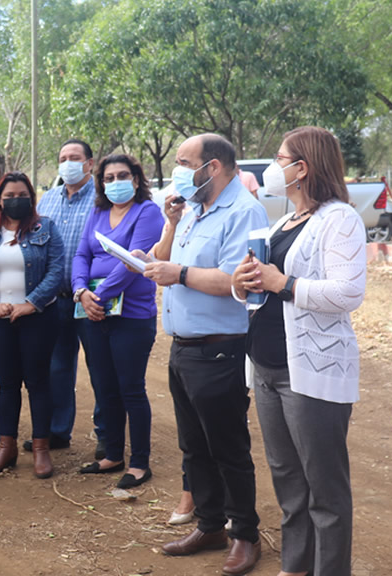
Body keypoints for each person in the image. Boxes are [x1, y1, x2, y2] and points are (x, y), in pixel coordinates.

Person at [232, 127, 366, 576]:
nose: (273, 166)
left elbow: (348, 292)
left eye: (279, 157)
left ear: (302, 168)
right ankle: (295, 567)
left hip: (310, 369)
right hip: (268, 367)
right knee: (289, 483)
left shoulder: (339, 219)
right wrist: (243, 285)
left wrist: (283, 283)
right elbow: (263, 290)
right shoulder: (280, 222)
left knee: (325, 490)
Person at [145, 133, 267, 576]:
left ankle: (245, 534)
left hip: (220, 350)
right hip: (183, 347)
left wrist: (178, 272)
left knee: (227, 447)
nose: (176, 169)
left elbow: (239, 282)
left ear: (212, 167)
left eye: (183, 161)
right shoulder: (192, 209)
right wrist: (170, 223)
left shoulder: (244, 211)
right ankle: (210, 524)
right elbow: (161, 261)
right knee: (194, 446)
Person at [72, 154, 163, 489]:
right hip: (94, 313)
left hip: (131, 315)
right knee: (104, 386)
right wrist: (81, 291)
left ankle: (139, 463)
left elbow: (133, 261)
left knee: (131, 389)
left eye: (122, 175)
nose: (115, 182)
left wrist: (100, 295)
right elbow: (81, 254)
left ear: (136, 180)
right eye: (108, 178)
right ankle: (112, 454)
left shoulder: (147, 212)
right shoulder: (96, 211)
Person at [0, 172, 64, 478]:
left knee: (37, 382)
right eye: (9, 196)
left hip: (38, 317)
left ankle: (41, 450)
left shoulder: (44, 227)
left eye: (21, 194)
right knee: (6, 384)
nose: (15, 200)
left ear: (31, 197)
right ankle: (5, 448)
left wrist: (30, 303)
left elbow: (57, 269)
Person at [33, 139, 101, 458]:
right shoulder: (47, 201)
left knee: (101, 368)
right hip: (55, 299)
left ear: (90, 163)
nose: (68, 163)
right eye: (63, 158)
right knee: (57, 368)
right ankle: (58, 431)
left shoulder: (102, 202)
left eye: (75, 158)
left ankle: (107, 435)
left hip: (92, 299)